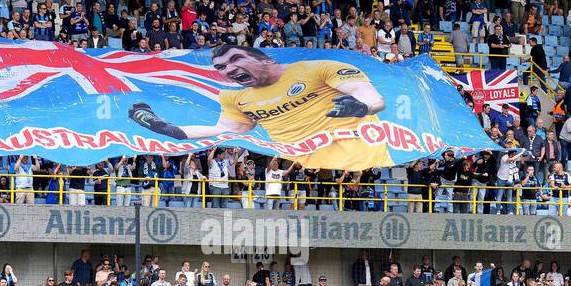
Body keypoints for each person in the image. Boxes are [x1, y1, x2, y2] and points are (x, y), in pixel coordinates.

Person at [128, 44, 394, 170]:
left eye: (235, 59)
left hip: (362, 164)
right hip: (305, 168)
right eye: (221, 67)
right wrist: (167, 128)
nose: (229, 69)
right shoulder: (237, 98)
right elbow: (221, 129)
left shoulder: (320, 68)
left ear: (265, 59)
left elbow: (374, 99)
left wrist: (359, 107)